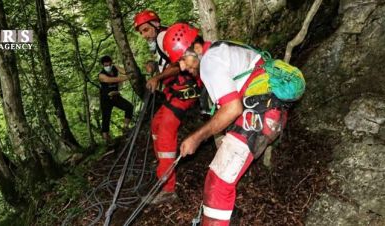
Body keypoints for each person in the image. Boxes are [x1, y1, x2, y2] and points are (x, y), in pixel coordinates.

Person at [163, 23, 289, 225]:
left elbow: (232, 109)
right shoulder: (221, 49)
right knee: (222, 176)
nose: (183, 68)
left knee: (218, 183)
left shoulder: (210, 62)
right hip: (268, 112)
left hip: (259, 115)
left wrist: (196, 137)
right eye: (179, 63)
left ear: (196, 48)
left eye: (183, 60)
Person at [134, 10, 202, 204]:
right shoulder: (158, 41)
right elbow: (167, 63)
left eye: (146, 29)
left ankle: (168, 189)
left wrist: (157, 77)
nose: (144, 34)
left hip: (184, 92)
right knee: (155, 124)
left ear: (156, 24)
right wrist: (154, 67)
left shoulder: (164, 36)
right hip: (174, 93)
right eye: (141, 32)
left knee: (164, 131)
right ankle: (163, 167)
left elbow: (178, 64)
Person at [98, 55, 133, 142]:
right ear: (103, 65)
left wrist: (117, 66)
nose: (108, 67)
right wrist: (126, 78)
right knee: (106, 118)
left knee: (129, 107)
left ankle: (125, 127)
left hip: (115, 96)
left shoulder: (114, 68)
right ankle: (106, 139)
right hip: (105, 98)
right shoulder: (101, 75)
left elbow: (125, 71)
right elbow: (111, 80)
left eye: (109, 64)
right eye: (105, 65)